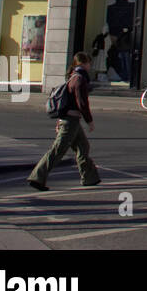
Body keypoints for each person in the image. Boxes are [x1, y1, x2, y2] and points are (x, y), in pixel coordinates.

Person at [29, 53, 101, 191]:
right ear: (83, 63)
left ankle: (90, 178)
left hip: (70, 120)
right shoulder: (79, 79)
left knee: (83, 147)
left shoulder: (73, 77)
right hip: (70, 121)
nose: (90, 66)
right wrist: (89, 121)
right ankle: (37, 177)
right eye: (89, 64)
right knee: (58, 150)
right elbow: (82, 103)